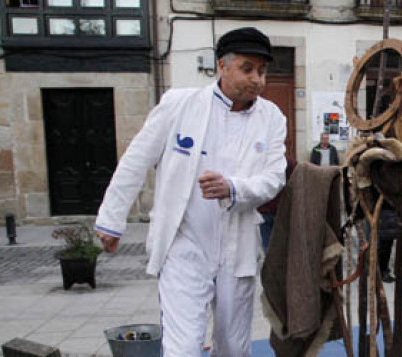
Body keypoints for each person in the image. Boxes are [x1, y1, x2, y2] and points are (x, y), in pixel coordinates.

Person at [93, 27, 286, 356]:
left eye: (262, 71)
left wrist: (233, 187)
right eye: (248, 68)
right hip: (184, 244)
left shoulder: (271, 118)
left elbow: (274, 177)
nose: (257, 79)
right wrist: (111, 219)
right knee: (183, 346)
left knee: (233, 347)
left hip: (236, 248)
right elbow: (136, 160)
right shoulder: (179, 105)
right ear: (222, 66)